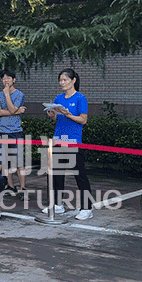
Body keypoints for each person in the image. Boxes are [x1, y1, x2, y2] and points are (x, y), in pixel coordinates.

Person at [45, 68, 93, 219]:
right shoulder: (59, 98)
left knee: (79, 174)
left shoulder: (80, 98)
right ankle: (58, 205)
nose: (62, 83)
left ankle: (87, 208)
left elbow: (83, 120)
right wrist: (53, 115)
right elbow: (57, 119)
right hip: (58, 139)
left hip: (73, 141)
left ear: (73, 80)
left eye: (65, 80)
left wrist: (69, 114)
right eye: (60, 80)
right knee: (57, 174)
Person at [0, 68, 27, 194]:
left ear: (14, 80)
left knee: (19, 162)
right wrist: (17, 111)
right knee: (5, 161)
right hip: (1, 131)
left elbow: (11, 109)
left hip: (15, 131)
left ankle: (23, 188)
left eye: (8, 78)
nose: (6, 81)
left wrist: (7, 95)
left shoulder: (19, 94)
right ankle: (10, 185)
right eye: (3, 78)